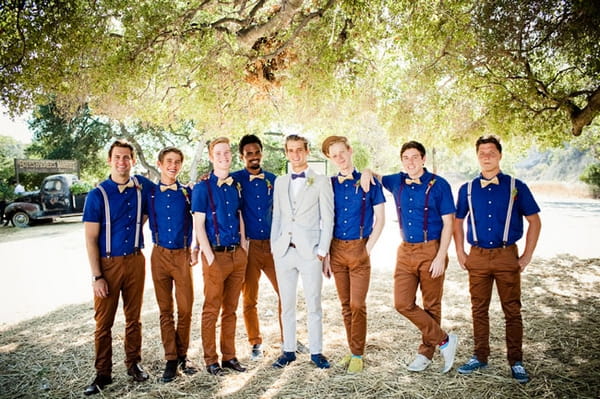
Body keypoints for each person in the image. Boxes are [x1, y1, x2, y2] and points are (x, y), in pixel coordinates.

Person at [363, 140, 458, 373]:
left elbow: (449, 224)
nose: (411, 162)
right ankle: (444, 340)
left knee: (431, 304)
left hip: (431, 249)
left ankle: (426, 353)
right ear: (402, 161)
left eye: (415, 157)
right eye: (406, 158)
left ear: (423, 159)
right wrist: (366, 171)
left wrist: (440, 256)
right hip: (405, 250)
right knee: (402, 303)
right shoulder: (396, 180)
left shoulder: (440, 185)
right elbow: (375, 175)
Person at [453, 135, 541, 384]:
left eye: (491, 151)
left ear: (500, 155)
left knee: (512, 310)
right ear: (477, 156)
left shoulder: (516, 186)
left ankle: (516, 361)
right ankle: (480, 356)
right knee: (478, 309)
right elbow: (458, 222)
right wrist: (460, 252)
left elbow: (534, 221)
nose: (487, 155)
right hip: (478, 256)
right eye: (482, 152)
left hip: (506, 255)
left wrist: (526, 255)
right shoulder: (467, 188)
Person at [82, 139, 153, 396]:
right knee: (104, 323)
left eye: (126, 158)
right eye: (117, 157)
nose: (122, 162)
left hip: (135, 260)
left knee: (133, 319)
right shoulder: (97, 194)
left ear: (133, 161)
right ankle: (103, 373)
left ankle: (133, 364)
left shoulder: (142, 188)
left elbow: (167, 188)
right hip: (108, 265)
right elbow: (90, 239)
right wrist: (97, 276)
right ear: (110, 160)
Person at [321, 136, 386, 373]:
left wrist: (366, 250)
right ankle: (352, 352)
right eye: (334, 155)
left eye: (342, 152)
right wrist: (326, 254)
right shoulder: (328, 184)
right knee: (345, 305)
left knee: (358, 304)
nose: (340, 158)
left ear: (350, 151)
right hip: (336, 250)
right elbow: (325, 220)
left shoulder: (369, 182)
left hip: (360, 248)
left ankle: (358, 354)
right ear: (330, 158)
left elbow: (381, 219)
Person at [270, 134, 334, 369]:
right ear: (286, 153)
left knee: (313, 303)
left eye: (299, 150)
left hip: (310, 252)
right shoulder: (280, 182)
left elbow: (328, 218)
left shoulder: (321, 181)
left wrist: (322, 250)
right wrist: (274, 246)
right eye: (290, 150)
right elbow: (277, 216)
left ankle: (316, 352)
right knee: (286, 304)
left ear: (307, 151)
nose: (295, 155)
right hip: (284, 251)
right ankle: (288, 350)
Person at [192, 137, 248, 376]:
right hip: (215, 255)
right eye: (218, 153)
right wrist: (209, 257)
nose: (224, 157)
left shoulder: (236, 185)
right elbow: (199, 225)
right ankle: (210, 360)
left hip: (238, 255)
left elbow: (239, 215)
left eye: (227, 152)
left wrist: (244, 245)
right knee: (211, 309)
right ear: (211, 157)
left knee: (231, 309)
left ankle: (230, 356)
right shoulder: (202, 187)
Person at [147, 147, 198, 382]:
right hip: (159, 255)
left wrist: (195, 247)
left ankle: (183, 355)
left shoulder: (188, 193)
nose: (173, 165)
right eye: (169, 161)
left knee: (185, 308)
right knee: (165, 309)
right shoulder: (150, 193)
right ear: (159, 164)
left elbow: (199, 221)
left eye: (177, 162)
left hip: (182, 255)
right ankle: (170, 359)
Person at [231, 134, 282, 361]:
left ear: (262, 153)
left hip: (273, 247)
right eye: (248, 153)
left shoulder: (274, 180)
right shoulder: (234, 180)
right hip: (249, 247)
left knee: (286, 293)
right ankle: (255, 343)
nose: (253, 157)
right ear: (242, 157)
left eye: (257, 152)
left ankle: (287, 339)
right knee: (249, 298)